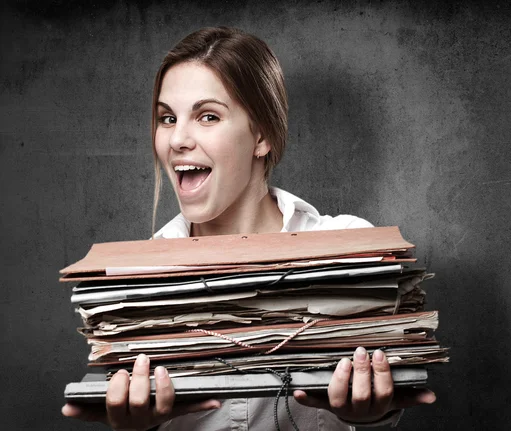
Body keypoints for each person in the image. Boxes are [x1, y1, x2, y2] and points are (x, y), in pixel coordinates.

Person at [61, 27, 436, 430]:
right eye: (167, 118)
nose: (178, 139)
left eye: (207, 116)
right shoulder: (134, 283)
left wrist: (372, 420)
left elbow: (380, 391)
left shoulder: (348, 249)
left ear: (261, 135)